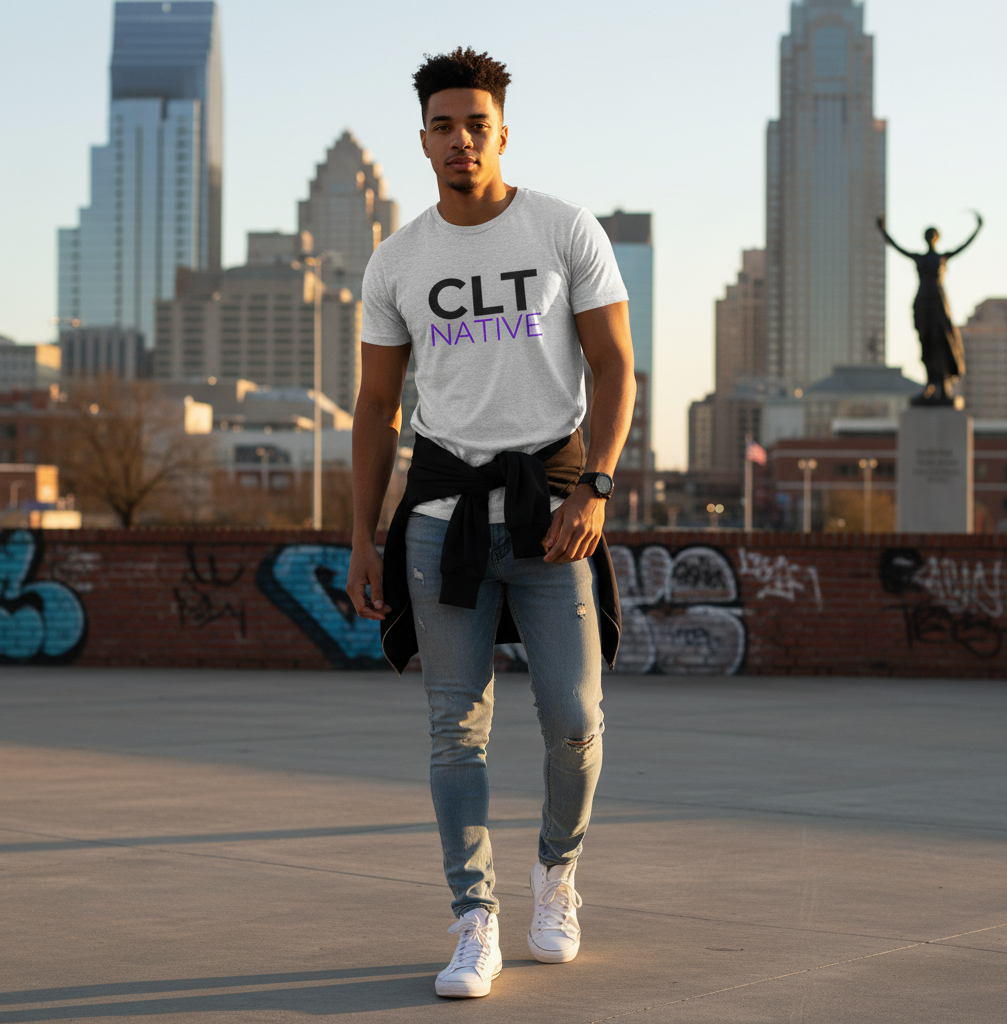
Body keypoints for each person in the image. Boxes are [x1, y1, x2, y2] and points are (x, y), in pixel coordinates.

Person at [345, 47, 635, 999]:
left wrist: (594, 486)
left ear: (502, 131)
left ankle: (558, 873)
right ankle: (474, 918)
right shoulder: (398, 259)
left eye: (476, 123)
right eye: (443, 124)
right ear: (422, 139)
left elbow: (617, 365)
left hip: (554, 510)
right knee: (452, 729)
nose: (461, 138)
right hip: (440, 517)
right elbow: (375, 409)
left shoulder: (563, 229)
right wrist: (360, 533)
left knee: (574, 720)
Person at [876, 213, 982, 403]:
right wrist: (883, 231)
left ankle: (945, 387)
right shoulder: (919, 258)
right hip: (923, 302)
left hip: (938, 303)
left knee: (942, 343)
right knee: (926, 344)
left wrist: (977, 229)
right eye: (927, 235)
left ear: (937, 239)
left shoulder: (942, 258)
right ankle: (931, 385)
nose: (930, 239)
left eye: (933, 235)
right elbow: (898, 248)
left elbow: (962, 247)